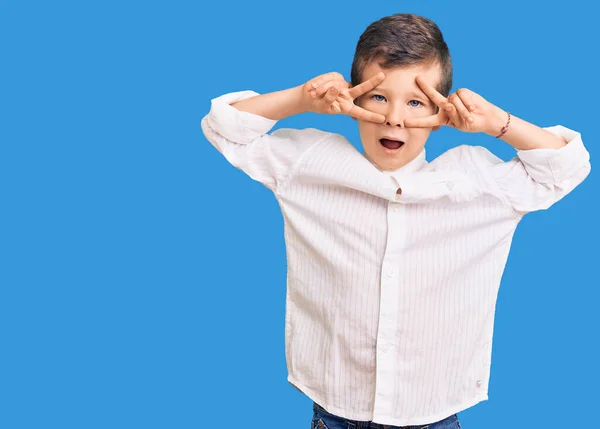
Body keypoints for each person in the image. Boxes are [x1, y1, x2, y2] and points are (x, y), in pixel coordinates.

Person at [200, 13, 590, 429]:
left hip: (433, 413)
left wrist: (498, 124)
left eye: (416, 102)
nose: (395, 119)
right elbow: (223, 127)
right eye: (379, 97)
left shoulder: (477, 182)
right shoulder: (310, 163)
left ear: (441, 109)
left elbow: (566, 166)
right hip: (336, 412)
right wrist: (302, 99)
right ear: (353, 99)